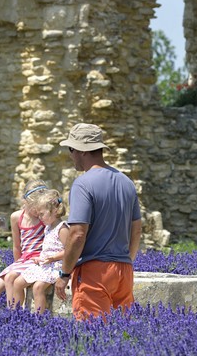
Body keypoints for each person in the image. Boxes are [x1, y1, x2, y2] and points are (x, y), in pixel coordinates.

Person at [54, 123, 142, 320]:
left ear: (82, 151)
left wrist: (65, 274)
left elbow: (77, 234)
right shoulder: (127, 183)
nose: (70, 155)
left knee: (92, 332)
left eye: (71, 149)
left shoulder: (83, 184)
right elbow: (136, 230)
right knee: (124, 331)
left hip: (94, 272)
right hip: (124, 271)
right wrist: (126, 261)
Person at [0, 179, 47, 305]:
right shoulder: (16, 217)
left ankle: (13, 314)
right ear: (26, 201)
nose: (37, 211)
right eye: (35, 207)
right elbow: (16, 246)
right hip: (23, 260)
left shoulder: (44, 217)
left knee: (10, 277)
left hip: (37, 260)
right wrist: (17, 265)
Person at [12, 188, 70, 314]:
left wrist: (53, 258)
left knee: (38, 287)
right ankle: (15, 314)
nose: (39, 217)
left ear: (54, 211)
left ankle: (39, 319)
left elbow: (69, 251)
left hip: (56, 266)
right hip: (45, 264)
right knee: (17, 283)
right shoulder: (48, 227)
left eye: (42, 214)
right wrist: (41, 258)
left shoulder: (62, 228)